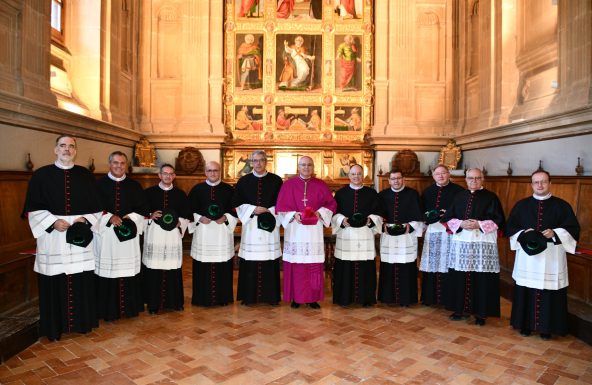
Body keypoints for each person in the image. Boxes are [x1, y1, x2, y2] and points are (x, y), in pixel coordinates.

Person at [23, 135, 102, 341]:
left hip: (79, 237)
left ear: (75, 151)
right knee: (54, 279)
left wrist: (84, 219)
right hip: (53, 238)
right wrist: (52, 222)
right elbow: (31, 208)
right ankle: (54, 327)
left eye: (71, 146)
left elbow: (97, 207)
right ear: (55, 149)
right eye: (63, 146)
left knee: (80, 279)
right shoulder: (41, 175)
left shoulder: (85, 175)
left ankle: (82, 324)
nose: (67, 149)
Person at [507, 170, 580, 340]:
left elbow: (573, 230)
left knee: (549, 292)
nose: (540, 185)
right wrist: (524, 233)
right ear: (531, 184)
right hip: (528, 258)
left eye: (544, 182)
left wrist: (554, 233)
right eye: (536, 182)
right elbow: (510, 227)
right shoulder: (521, 205)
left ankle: (547, 328)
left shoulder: (562, 206)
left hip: (551, 257)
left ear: (550, 183)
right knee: (526, 289)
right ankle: (524, 325)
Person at [443, 168, 505, 326]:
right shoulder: (459, 196)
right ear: (466, 179)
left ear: (483, 179)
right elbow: (448, 217)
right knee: (459, 275)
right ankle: (459, 309)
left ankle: (481, 313)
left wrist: (479, 224)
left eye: (477, 178)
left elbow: (499, 221)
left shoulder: (491, 197)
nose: (474, 181)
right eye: (471, 178)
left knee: (481, 278)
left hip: (482, 243)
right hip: (462, 241)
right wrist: (461, 223)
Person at [276, 156, 337, 309]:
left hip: (313, 232)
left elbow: (331, 205)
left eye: (309, 165)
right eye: (303, 165)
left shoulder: (321, 185)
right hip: (295, 231)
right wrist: (293, 215)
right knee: (296, 265)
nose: (306, 167)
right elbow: (280, 208)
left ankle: (313, 298)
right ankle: (296, 298)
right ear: (298, 167)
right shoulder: (288, 185)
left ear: (313, 167)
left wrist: (319, 213)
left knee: (313, 266)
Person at [95, 151, 148, 321]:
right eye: (116, 163)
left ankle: (129, 308)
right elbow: (91, 209)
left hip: (128, 236)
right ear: (109, 164)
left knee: (127, 271)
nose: (119, 166)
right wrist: (109, 217)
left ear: (126, 165)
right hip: (106, 236)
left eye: (122, 163)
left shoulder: (135, 186)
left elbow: (143, 211)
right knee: (108, 272)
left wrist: (130, 217)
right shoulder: (98, 185)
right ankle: (107, 310)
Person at [233, 150, 283, 306]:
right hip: (251, 226)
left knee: (269, 259)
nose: (258, 163)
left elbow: (282, 203)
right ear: (251, 162)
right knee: (251, 260)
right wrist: (253, 209)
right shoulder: (243, 181)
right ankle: (249, 296)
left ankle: (271, 296)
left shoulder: (276, 180)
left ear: (266, 161)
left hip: (270, 225)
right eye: (255, 160)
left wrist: (269, 210)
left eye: (261, 160)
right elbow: (237, 204)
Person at [331, 164, 382, 307]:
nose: (356, 177)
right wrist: (342, 219)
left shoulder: (372, 194)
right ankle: (344, 298)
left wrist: (370, 219)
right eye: (353, 174)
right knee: (345, 266)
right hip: (347, 234)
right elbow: (334, 213)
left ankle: (365, 299)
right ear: (349, 176)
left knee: (365, 266)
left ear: (363, 175)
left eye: (359, 174)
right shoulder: (340, 194)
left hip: (364, 234)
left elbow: (378, 212)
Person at [188, 161, 237, 307]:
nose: (213, 173)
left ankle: (223, 298)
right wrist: (199, 218)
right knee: (203, 267)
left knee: (222, 266)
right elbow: (189, 210)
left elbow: (235, 210)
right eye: (209, 171)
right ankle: (201, 298)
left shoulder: (229, 189)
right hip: (203, 233)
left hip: (222, 234)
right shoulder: (197, 189)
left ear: (220, 171)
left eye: (215, 170)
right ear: (205, 172)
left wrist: (226, 218)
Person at [143, 164, 190, 314]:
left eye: (170, 174)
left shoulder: (180, 194)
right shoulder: (148, 193)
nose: (168, 176)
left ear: (174, 176)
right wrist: (150, 216)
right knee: (154, 269)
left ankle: (174, 302)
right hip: (155, 235)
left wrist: (180, 222)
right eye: (165, 173)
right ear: (159, 175)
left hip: (172, 236)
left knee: (172, 268)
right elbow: (141, 213)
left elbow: (186, 215)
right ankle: (153, 304)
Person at [378, 170, 424, 307]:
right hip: (389, 238)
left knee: (407, 266)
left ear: (403, 179)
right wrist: (383, 225)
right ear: (389, 180)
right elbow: (378, 215)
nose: (396, 181)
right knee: (388, 266)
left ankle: (407, 299)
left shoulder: (413, 194)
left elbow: (419, 217)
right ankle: (387, 298)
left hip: (406, 238)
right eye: (393, 179)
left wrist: (411, 225)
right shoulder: (382, 195)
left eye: (398, 178)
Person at [419, 164, 464, 306]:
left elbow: (463, 212)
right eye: (437, 174)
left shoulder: (459, 191)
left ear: (449, 174)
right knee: (432, 264)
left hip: (450, 233)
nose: (441, 176)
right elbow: (421, 211)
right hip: (432, 232)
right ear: (433, 176)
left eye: (443, 173)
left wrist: (449, 215)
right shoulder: (427, 192)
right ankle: (430, 298)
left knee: (448, 264)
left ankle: (448, 299)